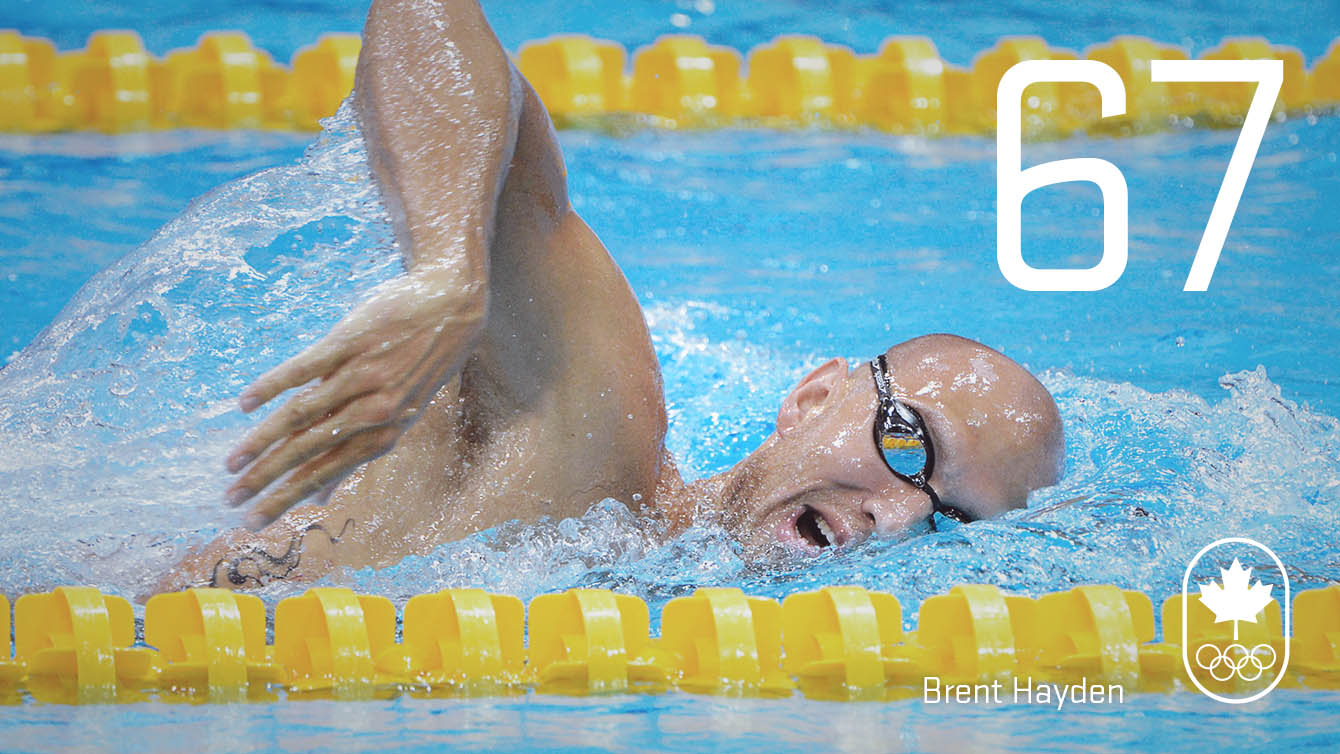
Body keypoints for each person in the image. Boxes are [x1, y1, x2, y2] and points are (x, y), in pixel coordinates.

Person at [164, 0, 1064, 591]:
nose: (899, 518)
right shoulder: (589, 435)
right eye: (910, 446)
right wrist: (450, 266)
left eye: (951, 523)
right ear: (811, 396)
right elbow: (421, 14)